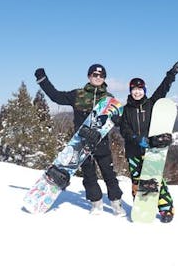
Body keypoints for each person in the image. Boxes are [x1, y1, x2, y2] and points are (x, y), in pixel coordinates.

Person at [34, 64, 125, 216]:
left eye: (100, 76)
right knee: (89, 175)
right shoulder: (78, 95)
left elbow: (120, 121)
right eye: (94, 75)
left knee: (109, 174)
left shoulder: (109, 99)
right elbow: (56, 96)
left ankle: (116, 204)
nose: (97, 77)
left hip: (101, 143)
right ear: (89, 76)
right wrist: (43, 80)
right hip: (82, 144)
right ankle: (96, 203)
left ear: (104, 78)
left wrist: (117, 119)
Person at [119, 60, 178, 223]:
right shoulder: (126, 110)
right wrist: (138, 139)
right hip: (133, 153)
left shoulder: (152, 103)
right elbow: (124, 130)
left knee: (155, 180)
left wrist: (171, 74)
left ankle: (166, 209)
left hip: (151, 152)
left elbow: (163, 89)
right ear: (130, 91)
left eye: (140, 89)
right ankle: (141, 208)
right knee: (138, 183)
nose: (137, 92)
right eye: (134, 89)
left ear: (144, 90)